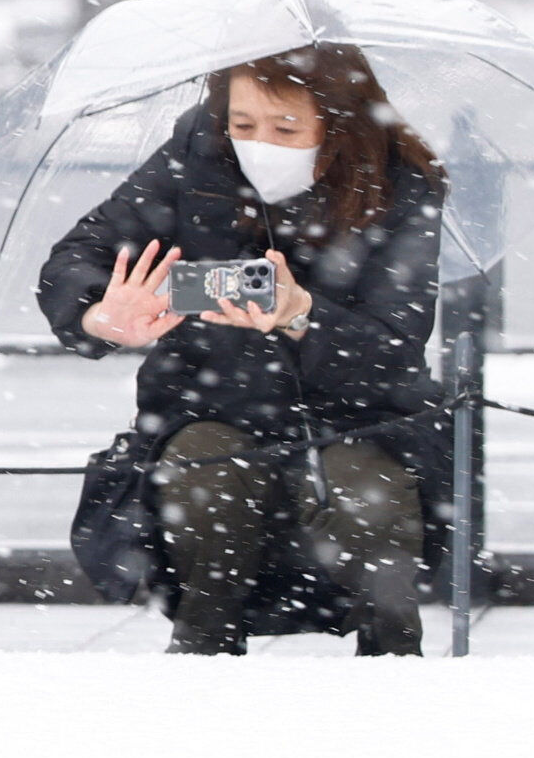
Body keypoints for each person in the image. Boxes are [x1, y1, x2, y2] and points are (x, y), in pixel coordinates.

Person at [37, 43, 447, 655]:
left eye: (287, 127)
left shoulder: (401, 185)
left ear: (338, 122)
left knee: (369, 497)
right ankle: (204, 648)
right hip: (209, 405)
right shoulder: (194, 159)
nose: (261, 143)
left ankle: (392, 659)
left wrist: (304, 315)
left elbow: (396, 344)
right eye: (243, 124)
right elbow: (78, 257)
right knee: (207, 477)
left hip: (363, 418)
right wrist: (101, 314)